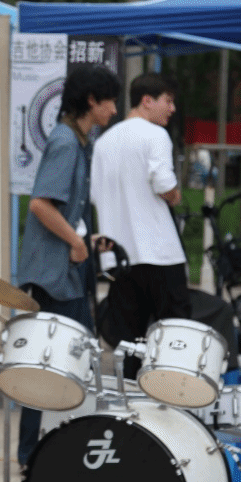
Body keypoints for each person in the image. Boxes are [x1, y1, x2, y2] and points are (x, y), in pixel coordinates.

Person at [13, 64, 118, 466]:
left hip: (63, 272)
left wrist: (84, 239)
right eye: (109, 101)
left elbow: (61, 207)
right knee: (58, 362)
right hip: (55, 277)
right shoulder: (65, 142)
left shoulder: (76, 140)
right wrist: (75, 242)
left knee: (62, 361)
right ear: (91, 101)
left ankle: (41, 450)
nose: (113, 109)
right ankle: (35, 453)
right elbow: (40, 204)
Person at [90, 72, 192, 376]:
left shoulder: (103, 142)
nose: (172, 109)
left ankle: (131, 397)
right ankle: (172, 394)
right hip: (160, 252)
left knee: (129, 341)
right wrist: (175, 195)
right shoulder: (155, 135)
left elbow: (94, 195)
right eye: (168, 101)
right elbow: (163, 183)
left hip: (120, 255)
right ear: (147, 101)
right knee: (175, 335)